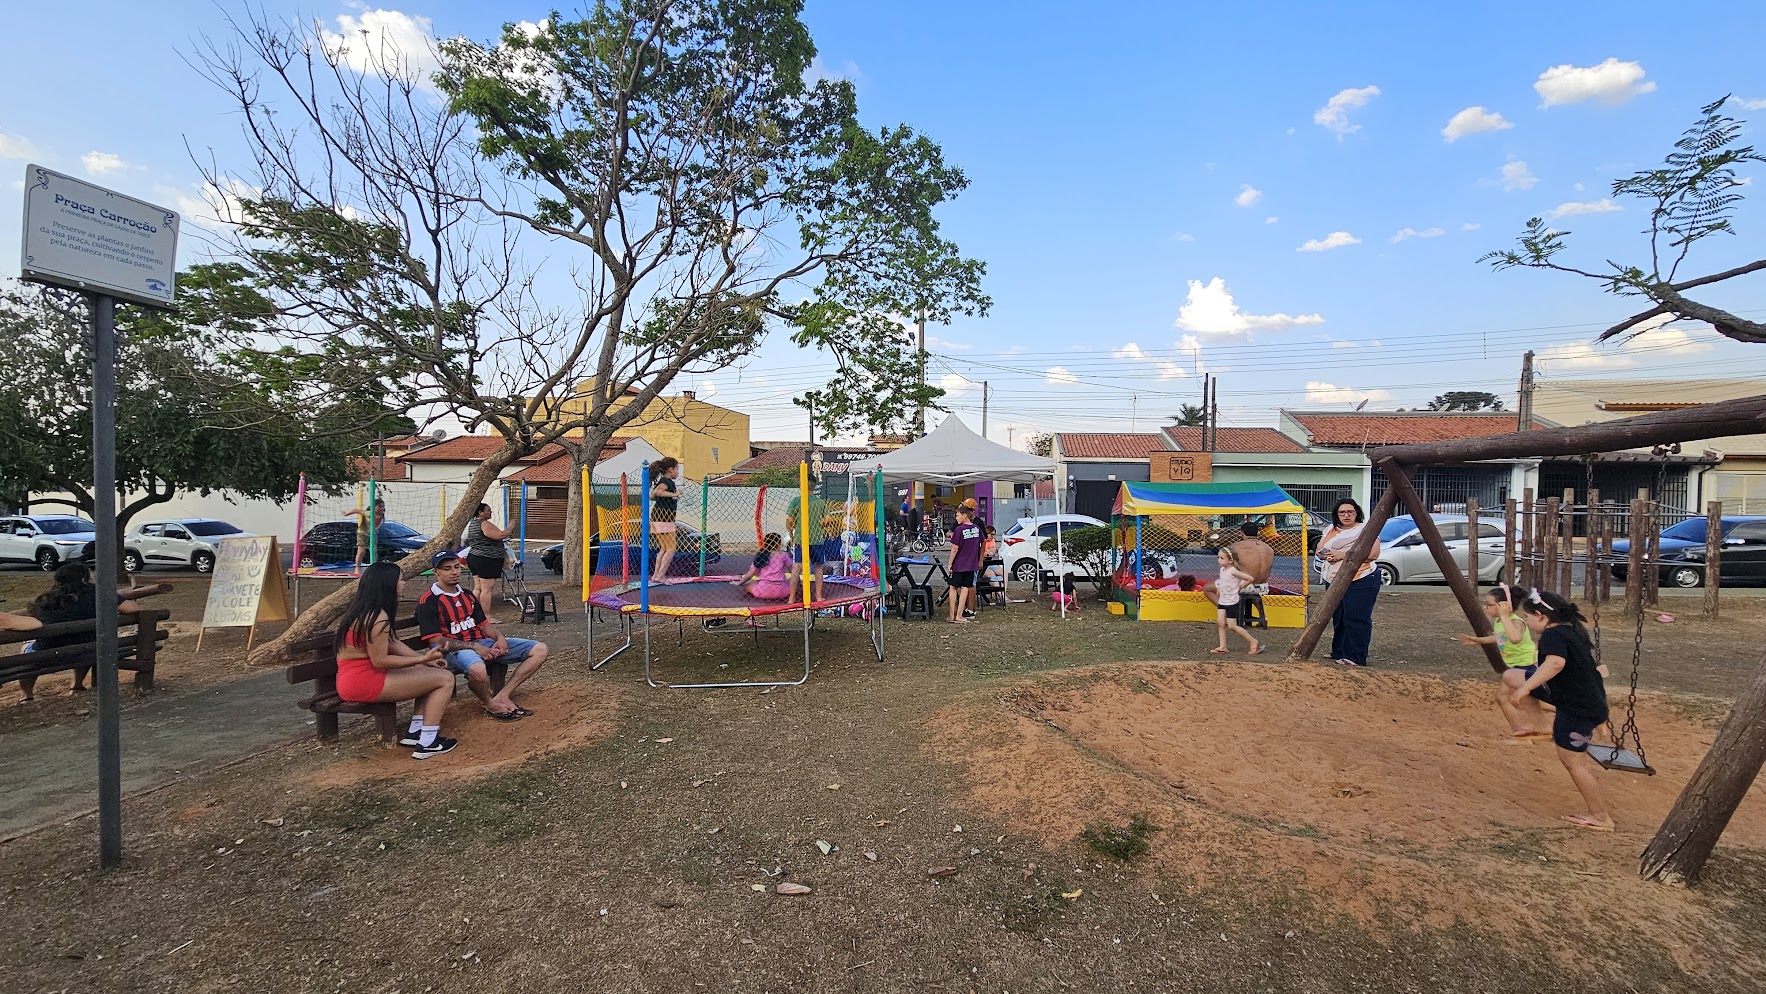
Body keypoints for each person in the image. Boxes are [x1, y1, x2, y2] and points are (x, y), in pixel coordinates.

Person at [1511, 590, 1614, 832]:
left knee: (1574, 763)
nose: (1526, 622)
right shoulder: (1570, 631)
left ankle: (1601, 817)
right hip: (1586, 701)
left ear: (1541, 615)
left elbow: (1556, 663)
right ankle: (1546, 726)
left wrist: (1525, 689)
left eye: (1527, 617)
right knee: (1511, 676)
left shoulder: (1553, 635)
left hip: (1577, 708)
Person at [334, 561, 458, 759]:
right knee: (445, 679)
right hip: (362, 681)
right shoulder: (376, 618)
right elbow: (380, 661)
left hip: (358, 677)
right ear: (389, 584)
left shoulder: (368, 610)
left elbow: (392, 643)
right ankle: (428, 743)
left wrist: (423, 661)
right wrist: (421, 659)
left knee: (430, 674)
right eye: (401, 580)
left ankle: (416, 732)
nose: (404, 584)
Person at [417, 551, 550, 721]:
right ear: (436, 572)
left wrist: (500, 638)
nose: (454, 572)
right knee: (478, 670)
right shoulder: (428, 600)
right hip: (450, 651)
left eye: (457, 567)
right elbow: (436, 640)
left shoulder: (467, 595)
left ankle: (503, 695)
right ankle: (489, 704)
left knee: (540, 649)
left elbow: (484, 625)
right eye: (447, 569)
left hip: (481, 642)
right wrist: (475, 647)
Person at [14, 564, 142, 702]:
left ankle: (26, 694)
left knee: (27, 648)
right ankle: (77, 685)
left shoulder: (47, 599)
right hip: (87, 651)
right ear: (84, 578)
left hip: (48, 654)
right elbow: (131, 608)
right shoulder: (98, 594)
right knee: (84, 641)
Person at [1454, 584, 1542, 738]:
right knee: (1530, 699)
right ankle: (1568, 712)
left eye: (1489, 604)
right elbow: (1501, 637)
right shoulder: (1501, 622)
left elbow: (1515, 638)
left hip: (1526, 665)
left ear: (1503, 606)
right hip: (1517, 666)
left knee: (1506, 697)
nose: (1485, 607)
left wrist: (1504, 615)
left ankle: (1522, 734)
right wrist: (1478, 640)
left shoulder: (1515, 622)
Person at [1316, 497, 1382, 667]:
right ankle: (1339, 651)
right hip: (1334, 578)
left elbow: (1373, 554)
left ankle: (1355, 656)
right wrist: (1325, 554)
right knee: (1339, 617)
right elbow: (1319, 549)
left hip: (1361, 578)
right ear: (1336, 515)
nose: (1346, 515)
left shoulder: (1366, 530)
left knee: (1356, 617)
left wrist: (1342, 555)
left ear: (1356, 513)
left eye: (1350, 512)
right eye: (1342, 512)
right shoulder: (1331, 529)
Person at [1207, 546, 1263, 656]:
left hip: (1231, 601)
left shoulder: (1233, 571)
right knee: (1221, 623)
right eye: (1219, 557)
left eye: (1222, 558)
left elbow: (1250, 578)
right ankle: (1223, 646)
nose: (1219, 560)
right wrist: (1219, 588)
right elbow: (1224, 581)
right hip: (1223, 600)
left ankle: (1253, 641)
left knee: (1232, 625)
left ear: (1231, 560)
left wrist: (1240, 587)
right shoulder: (1222, 569)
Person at [786, 487, 832, 603]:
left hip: (801, 539)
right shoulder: (820, 502)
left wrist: (791, 533)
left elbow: (789, 520)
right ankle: (818, 596)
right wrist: (819, 526)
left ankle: (791, 598)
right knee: (818, 567)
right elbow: (827, 519)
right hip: (816, 539)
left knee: (796, 567)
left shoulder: (796, 501)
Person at [462, 502, 511, 608]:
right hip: (486, 559)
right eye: (488, 510)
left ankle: (474, 612)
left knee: (478, 587)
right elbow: (500, 535)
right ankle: (486, 616)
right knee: (486, 589)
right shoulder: (483, 524)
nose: (490, 512)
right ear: (480, 513)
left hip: (474, 556)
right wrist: (511, 526)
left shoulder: (473, 524)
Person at [946, 505, 984, 623]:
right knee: (965, 588)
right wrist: (979, 559)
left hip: (959, 564)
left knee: (953, 587)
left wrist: (950, 563)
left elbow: (955, 548)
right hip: (971, 564)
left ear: (964, 516)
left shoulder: (959, 529)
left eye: (957, 515)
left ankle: (952, 615)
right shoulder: (977, 529)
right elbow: (983, 542)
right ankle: (959, 615)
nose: (956, 518)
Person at [732, 533, 796, 602]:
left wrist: (740, 582)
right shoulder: (783, 555)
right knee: (791, 581)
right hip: (782, 591)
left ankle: (746, 583)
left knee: (748, 583)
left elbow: (751, 573)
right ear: (778, 545)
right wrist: (799, 582)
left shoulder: (761, 555)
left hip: (763, 591)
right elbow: (793, 571)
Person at [649, 457, 682, 580]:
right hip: (664, 518)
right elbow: (657, 493)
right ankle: (661, 576)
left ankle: (656, 575)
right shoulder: (666, 481)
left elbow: (652, 496)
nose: (678, 472)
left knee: (664, 548)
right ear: (670, 469)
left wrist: (671, 496)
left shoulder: (662, 481)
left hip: (657, 517)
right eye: (677, 469)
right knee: (671, 549)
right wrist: (674, 494)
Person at [345, 500, 387, 570]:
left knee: (374, 551)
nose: (382, 508)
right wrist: (346, 513)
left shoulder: (381, 514)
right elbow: (356, 510)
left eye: (383, 506)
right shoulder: (370, 513)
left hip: (373, 534)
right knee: (361, 551)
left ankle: (374, 567)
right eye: (380, 506)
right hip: (362, 533)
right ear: (374, 507)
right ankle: (357, 568)